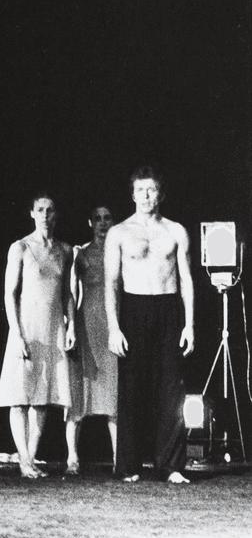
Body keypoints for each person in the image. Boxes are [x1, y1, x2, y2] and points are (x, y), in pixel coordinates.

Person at [104, 167, 194, 484]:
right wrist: (114, 327)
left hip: (168, 309)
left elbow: (186, 281)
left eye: (151, 190)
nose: (146, 196)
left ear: (161, 194)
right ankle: (129, 466)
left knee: (172, 389)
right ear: (132, 195)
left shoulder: (176, 231)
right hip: (133, 308)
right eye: (140, 190)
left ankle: (171, 466)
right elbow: (111, 283)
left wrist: (189, 325)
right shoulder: (118, 233)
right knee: (132, 388)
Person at [0, 194, 75, 479]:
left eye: (50, 210)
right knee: (20, 396)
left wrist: (71, 326)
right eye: (40, 210)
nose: (45, 215)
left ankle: (29, 458)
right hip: (26, 327)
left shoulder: (65, 250)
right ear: (31, 213)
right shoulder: (20, 247)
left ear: (56, 215)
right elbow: (9, 293)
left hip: (52, 328)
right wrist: (16, 334)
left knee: (41, 398)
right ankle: (24, 461)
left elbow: (66, 294)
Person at [67, 206, 118, 473]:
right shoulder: (80, 253)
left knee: (114, 396)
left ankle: (118, 458)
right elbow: (72, 293)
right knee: (79, 395)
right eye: (97, 218)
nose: (102, 223)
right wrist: (71, 326)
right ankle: (72, 458)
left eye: (107, 218)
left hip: (112, 327)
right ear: (89, 222)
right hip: (87, 325)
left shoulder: (119, 250)